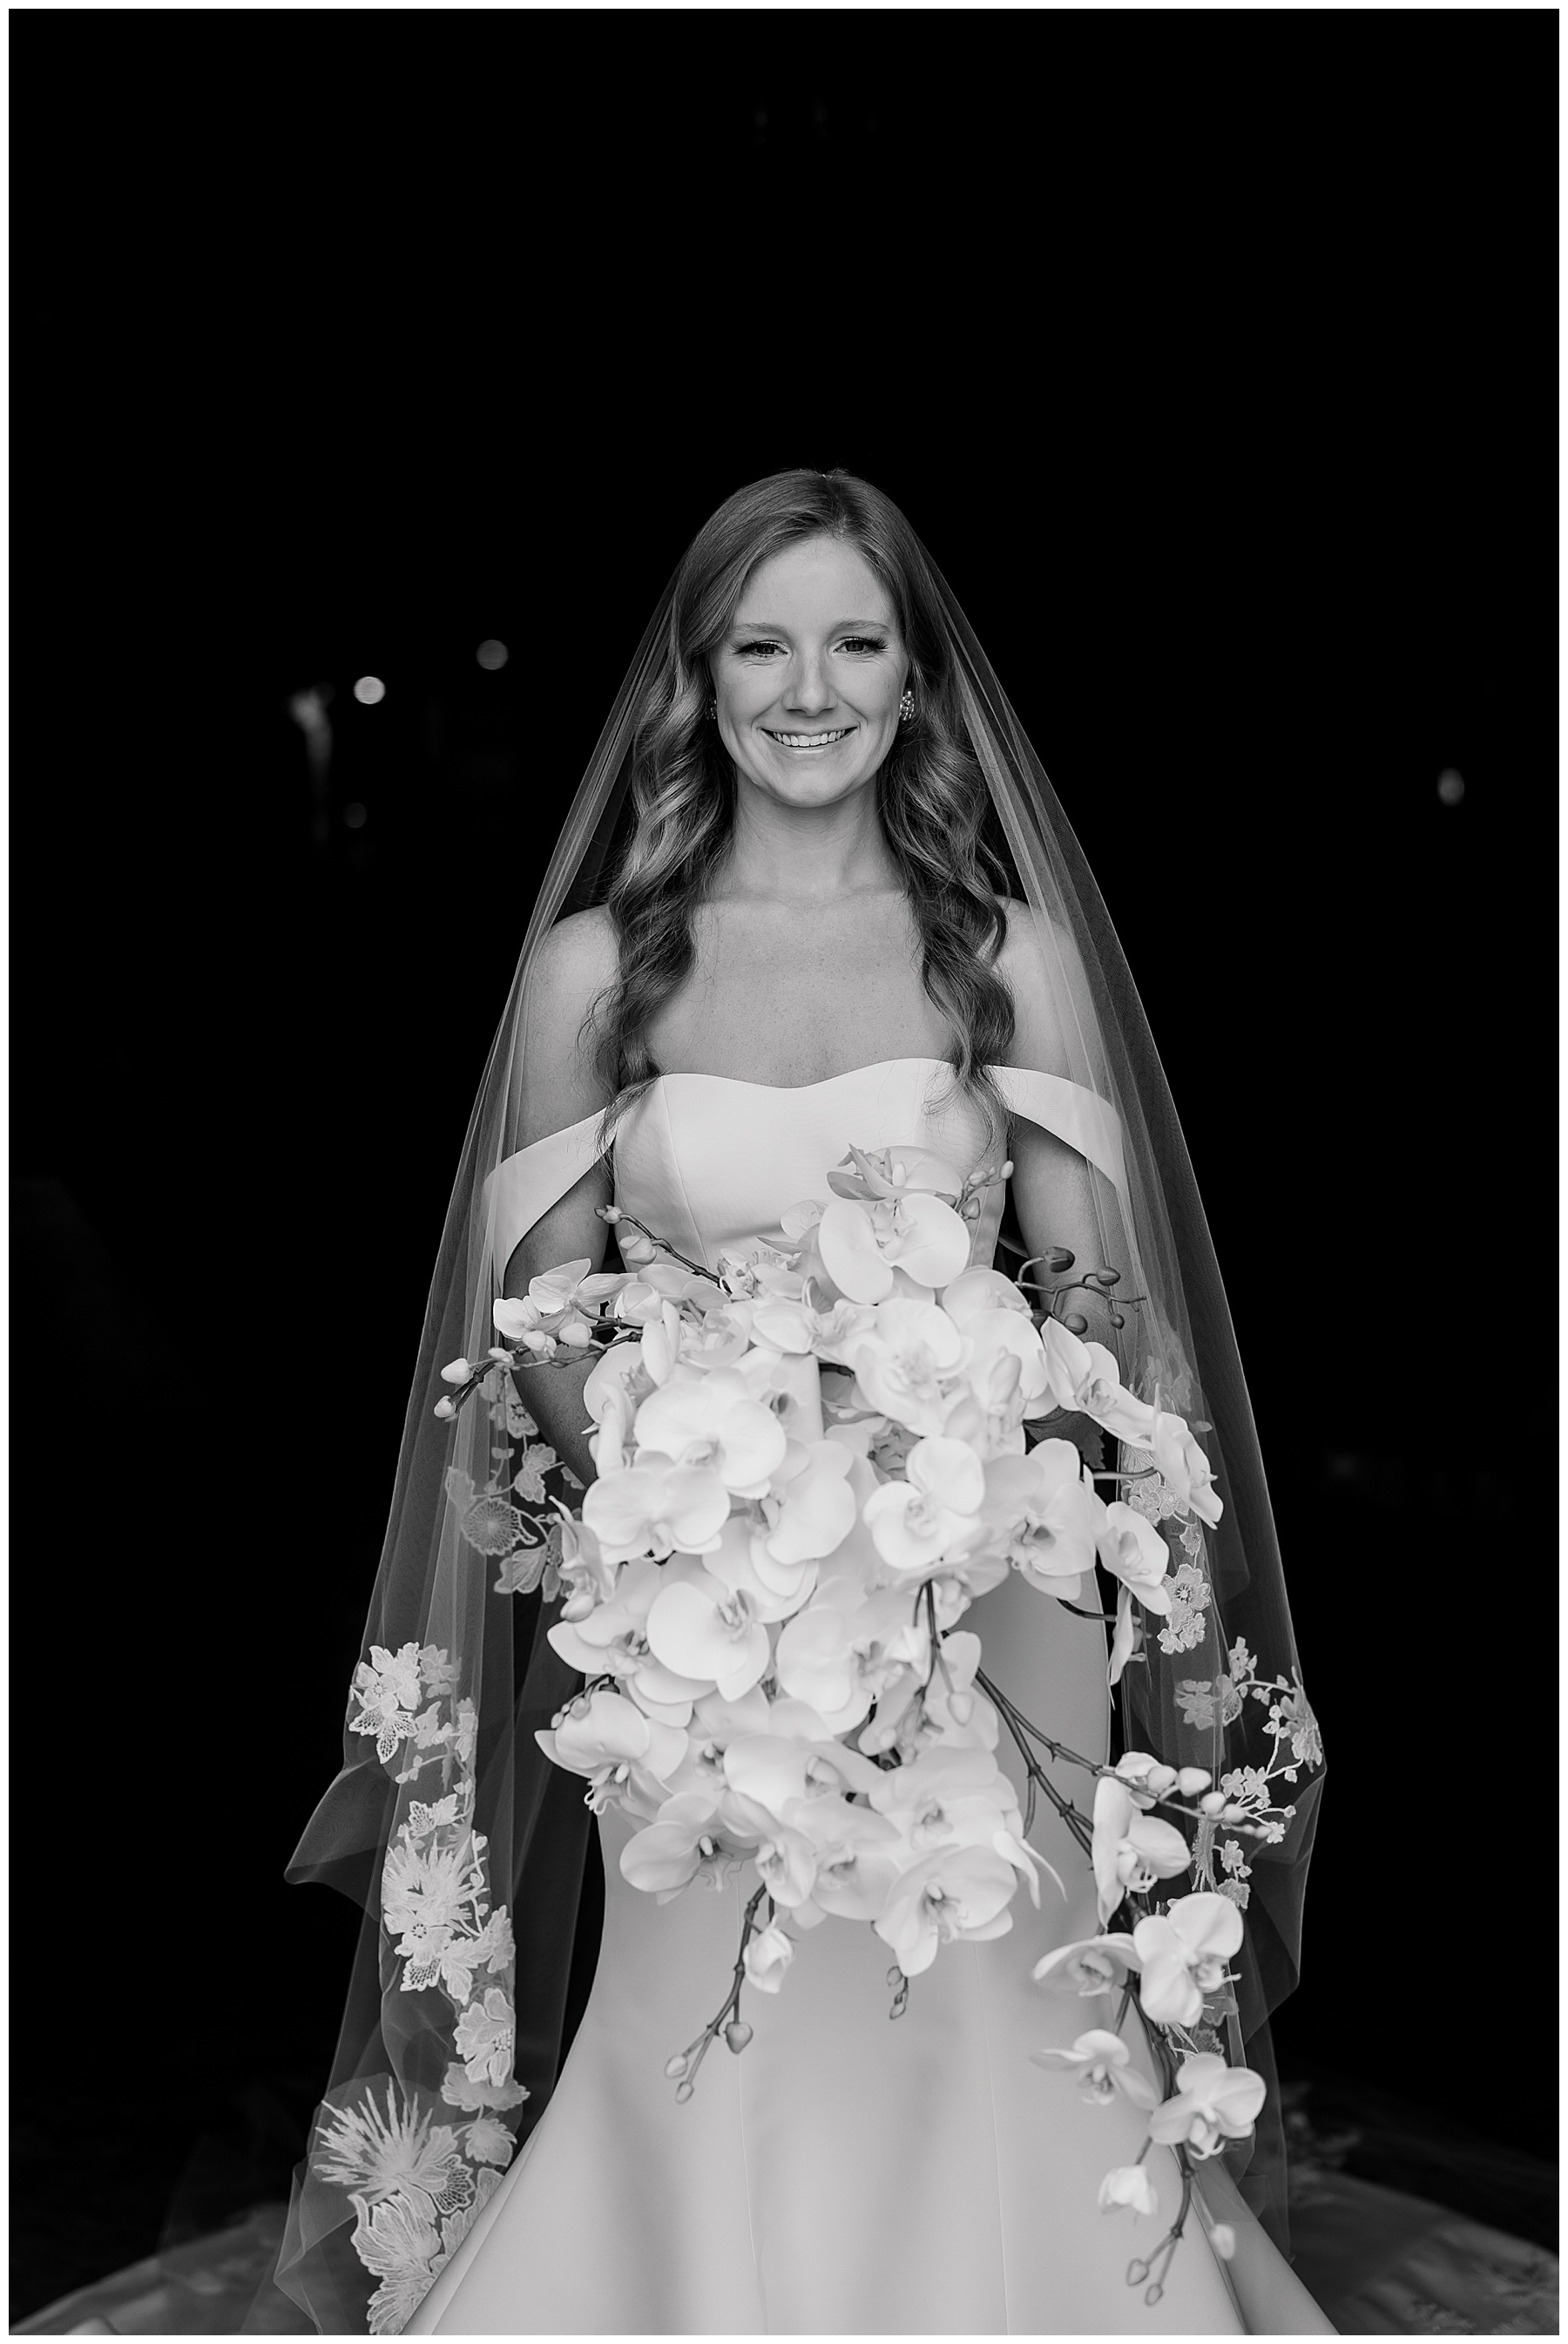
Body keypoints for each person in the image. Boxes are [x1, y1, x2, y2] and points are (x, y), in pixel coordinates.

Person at [273, 470, 1331, 2335]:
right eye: (763, 646)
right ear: (699, 679)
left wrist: (983, 1497)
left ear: (916, 680)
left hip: (979, 1602)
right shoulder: (595, 971)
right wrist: (702, 1516)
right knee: (716, 2022)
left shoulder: (1007, 959)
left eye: (856, 642)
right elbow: (535, 1316)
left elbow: (1100, 1308)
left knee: (986, 2012)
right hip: (701, 1621)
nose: (811, 688)